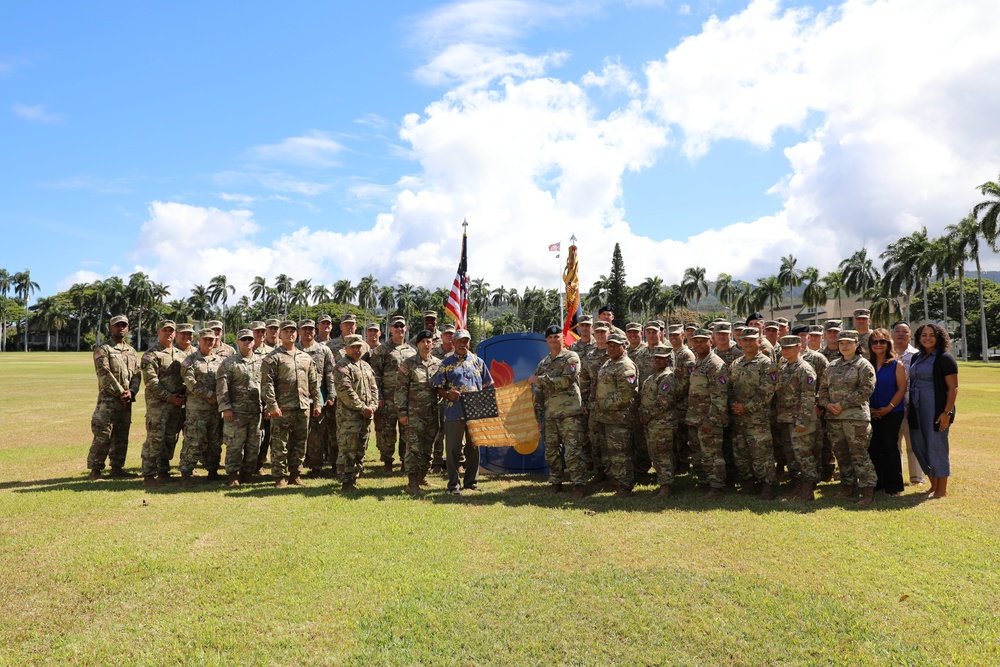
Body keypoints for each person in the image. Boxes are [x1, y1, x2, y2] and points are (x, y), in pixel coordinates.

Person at [818, 330, 877, 506]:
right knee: (842, 455)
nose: (844, 346)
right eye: (841, 343)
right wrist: (827, 405)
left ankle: (868, 492)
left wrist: (842, 405)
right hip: (834, 418)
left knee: (859, 455)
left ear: (857, 344)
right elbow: (822, 390)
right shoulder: (832, 365)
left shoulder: (863, 365)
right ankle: (848, 487)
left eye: (849, 343)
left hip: (856, 419)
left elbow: (866, 390)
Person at [261, 320, 321, 488]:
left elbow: (314, 383)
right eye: (286, 331)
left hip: (302, 407)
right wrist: (272, 406)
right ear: (280, 334)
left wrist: (317, 403)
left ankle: (295, 474)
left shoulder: (305, 358)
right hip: (282, 408)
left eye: (293, 331)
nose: (290, 334)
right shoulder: (273, 358)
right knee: (280, 443)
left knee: (300, 442)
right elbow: (267, 384)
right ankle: (280, 476)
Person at [432, 329, 493, 496]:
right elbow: (438, 387)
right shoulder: (446, 363)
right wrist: (447, 394)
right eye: (459, 341)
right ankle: (453, 485)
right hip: (454, 411)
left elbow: (487, 385)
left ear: (469, 342)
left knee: (474, 448)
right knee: (453, 448)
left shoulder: (478, 362)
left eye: (465, 341)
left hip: (475, 412)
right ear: (453, 343)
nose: (462, 344)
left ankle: (471, 483)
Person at [530, 325, 587, 497]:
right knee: (552, 451)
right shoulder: (543, 364)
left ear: (563, 338)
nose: (554, 340)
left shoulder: (571, 357)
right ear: (546, 340)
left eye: (557, 337)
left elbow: (566, 380)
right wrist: (537, 415)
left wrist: (539, 380)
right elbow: (538, 393)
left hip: (570, 413)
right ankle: (555, 482)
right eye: (550, 337)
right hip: (551, 414)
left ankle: (579, 484)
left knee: (573, 450)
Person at [908, 323, 959, 499]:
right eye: (924, 335)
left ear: (939, 337)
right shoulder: (917, 358)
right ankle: (933, 484)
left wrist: (946, 412)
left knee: (936, 446)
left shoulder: (945, 358)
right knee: (918, 444)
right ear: (919, 337)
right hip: (916, 406)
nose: (927, 338)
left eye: (931, 335)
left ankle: (941, 490)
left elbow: (953, 388)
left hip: (936, 407)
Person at [88, 314, 141, 480]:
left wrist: (131, 392)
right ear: (111, 328)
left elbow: (137, 374)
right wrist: (120, 392)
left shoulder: (131, 351)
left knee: (121, 435)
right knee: (104, 434)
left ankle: (117, 468)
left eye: (124, 325)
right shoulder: (103, 349)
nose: (121, 328)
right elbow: (104, 374)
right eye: (117, 325)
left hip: (126, 402)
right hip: (109, 401)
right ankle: (95, 470)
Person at [728, 328, 777, 498]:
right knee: (741, 453)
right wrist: (733, 405)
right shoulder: (736, 363)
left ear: (758, 341)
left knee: (761, 452)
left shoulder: (766, 363)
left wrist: (746, 407)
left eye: (751, 340)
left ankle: (767, 486)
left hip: (757, 418)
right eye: (745, 340)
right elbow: (730, 388)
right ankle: (748, 483)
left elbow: (767, 391)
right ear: (739, 342)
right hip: (738, 418)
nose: (748, 343)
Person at [139, 320, 186, 488]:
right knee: (155, 440)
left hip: (175, 406)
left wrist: (181, 397)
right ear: (158, 332)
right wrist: (169, 397)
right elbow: (151, 382)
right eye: (165, 330)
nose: (169, 334)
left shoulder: (180, 355)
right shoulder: (150, 355)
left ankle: (163, 472)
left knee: (169, 439)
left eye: (171, 331)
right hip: (158, 406)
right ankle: (148, 475)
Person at [686, 329, 730, 499]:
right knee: (700, 453)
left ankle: (717, 487)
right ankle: (705, 483)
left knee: (712, 454)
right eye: (695, 341)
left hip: (709, 419)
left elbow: (719, 398)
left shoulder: (715, 364)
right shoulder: (699, 362)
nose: (698, 345)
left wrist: (710, 420)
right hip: (696, 417)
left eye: (702, 341)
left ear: (710, 342)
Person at [775, 335, 820, 501]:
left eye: (790, 347)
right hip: (787, 418)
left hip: (800, 420)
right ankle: (798, 487)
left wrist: (802, 421)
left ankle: (808, 490)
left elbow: (808, 398)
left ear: (799, 348)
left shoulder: (804, 369)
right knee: (792, 456)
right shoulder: (785, 367)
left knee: (804, 455)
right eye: (783, 348)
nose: (785, 351)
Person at [216, 329, 264, 486]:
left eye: (250, 339)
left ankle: (248, 473)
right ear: (237, 342)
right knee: (235, 444)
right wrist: (226, 408)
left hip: (256, 411)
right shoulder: (229, 362)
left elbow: (267, 386)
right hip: (236, 412)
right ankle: (233, 474)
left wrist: (268, 406)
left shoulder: (261, 362)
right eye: (244, 339)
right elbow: (222, 386)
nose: (247, 341)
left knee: (254, 444)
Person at [397, 330, 442, 493]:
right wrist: (402, 413)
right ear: (417, 344)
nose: (426, 344)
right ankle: (412, 483)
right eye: (423, 341)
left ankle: (422, 477)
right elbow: (400, 390)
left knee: (428, 448)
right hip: (414, 415)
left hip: (432, 414)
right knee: (414, 449)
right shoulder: (408, 364)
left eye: (429, 341)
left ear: (433, 344)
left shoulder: (438, 363)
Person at [371, 315, 416, 473]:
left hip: (407, 399)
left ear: (406, 328)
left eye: (402, 326)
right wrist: (379, 396)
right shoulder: (381, 350)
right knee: (387, 432)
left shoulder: (412, 351)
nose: (399, 329)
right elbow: (375, 375)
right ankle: (388, 463)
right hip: (388, 399)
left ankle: (405, 462)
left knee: (406, 431)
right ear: (390, 329)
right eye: (396, 326)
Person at [178, 329, 224, 486]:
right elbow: (190, 383)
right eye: (205, 339)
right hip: (197, 410)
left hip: (215, 409)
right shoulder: (189, 360)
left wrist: (219, 396)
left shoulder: (219, 360)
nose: (209, 342)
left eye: (211, 339)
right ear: (199, 340)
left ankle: (212, 471)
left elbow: (224, 382)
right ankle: (186, 473)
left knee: (214, 441)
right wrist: (210, 394)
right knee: (193, 441)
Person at [595, 332, 638, 498]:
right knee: (610, 453)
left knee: (621, 453)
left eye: (615, 345)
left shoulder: (625, 366)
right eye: (609, 345)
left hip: (620, 418)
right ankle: (615, 482)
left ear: (623, 347)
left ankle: (626, 486)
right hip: (606, 417)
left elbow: (627, 393)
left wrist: (603, 404)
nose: (611, 348)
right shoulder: (609, 363)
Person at [334, 334, 379, 491]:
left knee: (361, 447)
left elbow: (374, 388)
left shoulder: (366, 366)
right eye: (352, 347)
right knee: (348, 448)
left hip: (366, 416)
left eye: (359, 347)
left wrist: (372, 406)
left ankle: (355, 476)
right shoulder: (342, 366)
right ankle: (346, 481)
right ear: (346, 348)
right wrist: (362, 408)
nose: (356, 350)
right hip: (349, 417)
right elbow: (345, 392)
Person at [639, 347, 684, 498]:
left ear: (668, 360)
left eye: (662, 358)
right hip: (652, 423)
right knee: (656, 454)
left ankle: (666, 487)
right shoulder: (654, 376)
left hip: (662, 422)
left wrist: (647, 414)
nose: (658, 360)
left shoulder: (667, 377)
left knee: (663, 454)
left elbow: (663, 401)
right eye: (656, 357)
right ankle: (662, 483)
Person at [866, 328, 906, 495]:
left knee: (890, 447)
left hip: (892, 412)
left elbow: (902, 389)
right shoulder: (866, 364)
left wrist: (888, 408)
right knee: (873, 447)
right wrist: (870, 409)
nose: (878, 345)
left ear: (888, 343)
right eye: (874, 342)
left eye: (882, 341)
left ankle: (894, 486)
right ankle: (877, 483)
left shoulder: (897, 364)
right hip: (870, 412)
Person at [297, 319, 336, 478]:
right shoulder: (294, 349)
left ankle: (316, 467)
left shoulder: (324, 350)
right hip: (296, 397)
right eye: (304, 329)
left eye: (311, 329)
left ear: (315, 331)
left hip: (317, 397)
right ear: (299, 331)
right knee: (298, 434)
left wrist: (331, 394)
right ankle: (295, 468)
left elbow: (330, 374)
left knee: (317, 435)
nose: (308, 332)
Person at [891, 321, 924, 485]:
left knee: (914, 444)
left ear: (910, 335)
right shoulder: (887, 354)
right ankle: (896, 476)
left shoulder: (918, 355)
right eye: (897, 331)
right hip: (892, 407)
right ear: (892, 334)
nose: (901, 334)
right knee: (894, 445)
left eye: (905, 331)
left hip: (913, 406)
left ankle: (917, 477)